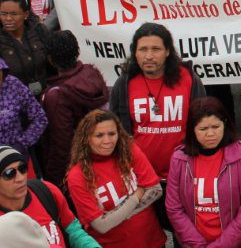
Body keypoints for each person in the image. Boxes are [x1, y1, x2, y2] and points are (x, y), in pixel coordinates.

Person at [109, 23, 206, 183]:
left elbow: (203, 121)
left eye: (156, 49)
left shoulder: (189, 79)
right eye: (143, 49)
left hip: (184, 174)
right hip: (141, 178)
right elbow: (116, 128)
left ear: (167, 51)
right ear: (135, 52)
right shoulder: (124, 84)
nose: (148, 56)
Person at [165, 97, 241, 246]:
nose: (210, 134)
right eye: (203, 129)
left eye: (216, 127)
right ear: (192, 130)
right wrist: (198, 244)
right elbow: (174, 208)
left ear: (225, 124)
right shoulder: (179, 159)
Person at [65, 110, 165, 247]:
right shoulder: (77, 175)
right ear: (86, 138)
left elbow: (156, 190)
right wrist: (136, 196)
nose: (107, 141)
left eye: (112, 134)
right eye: (99, 135)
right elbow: (101, 225)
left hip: (151, 241)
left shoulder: (129, 150)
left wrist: (116, 215)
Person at [40, 31, 109, 186]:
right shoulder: (91, 72)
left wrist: (53, 180)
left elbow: (61, 143)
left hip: (77, 169)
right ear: (77, 51)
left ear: (50, 59)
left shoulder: (56, 96)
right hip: (102, 155)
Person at [0, 145, 101, 247]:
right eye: (9, 173)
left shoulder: (45, 190)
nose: (20, 178)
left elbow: (74, 232)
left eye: (22, 168)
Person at [0, 0, 49, 95]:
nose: (8, 19)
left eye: (14, 14)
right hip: (14, 104)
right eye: (3, 14)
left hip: (44, 98)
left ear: (26, 14)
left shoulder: (39, 31)